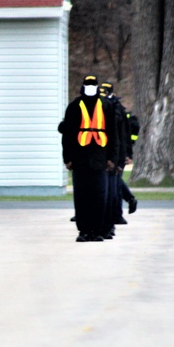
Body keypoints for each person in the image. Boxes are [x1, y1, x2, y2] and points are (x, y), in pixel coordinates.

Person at [61, 76, 118, 242]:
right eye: (88, 85)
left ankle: (97, 231)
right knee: (81, 197)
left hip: (100, 157)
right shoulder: (74, 106)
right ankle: (84, 231)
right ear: (83, 87)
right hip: (79, 158)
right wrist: (68, 158)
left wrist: (112, 158)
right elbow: (68, 135)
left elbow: (113, 134)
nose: (91, 88)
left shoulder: (107, 106)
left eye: (93, 85)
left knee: (99, 196)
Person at [101, 81, 129, 231]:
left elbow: (122, 135)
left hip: (113, 157)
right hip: (99, 156)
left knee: (112, 192)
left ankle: (111, 221)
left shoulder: (117, 110)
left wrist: (122, 157)